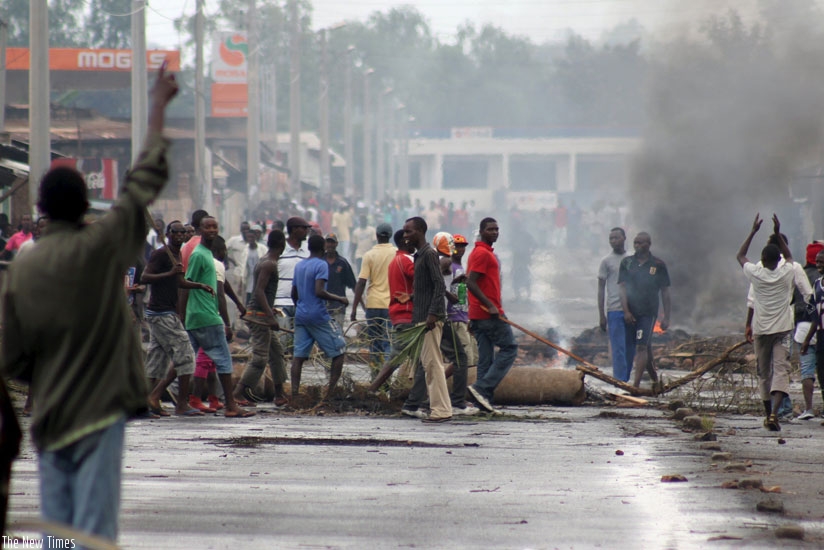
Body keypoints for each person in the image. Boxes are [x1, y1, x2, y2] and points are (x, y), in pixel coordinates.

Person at [0, 63, 178, 544]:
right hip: (101, 410)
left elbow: (13, 357)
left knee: (57, 525)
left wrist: (48, 375)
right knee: (94, 526)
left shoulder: (23, 267)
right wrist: (158, 105)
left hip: (52, 413)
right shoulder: (101, 250)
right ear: (86, 207)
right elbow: (142, 183)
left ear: (39, 210)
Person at [182, 216, 255, 419]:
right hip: (205, 315)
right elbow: (185, 283)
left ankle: (174, 399)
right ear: (201, 230)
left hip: (197, 316)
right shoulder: (199, 255)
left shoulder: (207, 255)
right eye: (208, 227)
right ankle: (231, 405)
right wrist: (185, 311)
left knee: (191, 360)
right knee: (223, 361)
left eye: (215, 226)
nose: (212, 230)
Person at [142, 220, 215, 417]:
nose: (180, 235)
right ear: (168, 233)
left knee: (156, 361)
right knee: (186, 356)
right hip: (162, 313)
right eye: (176, 232)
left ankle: (148, 403)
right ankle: (181, 404)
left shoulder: (178, 254)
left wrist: (199, 285)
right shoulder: (160, 253)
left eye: (183, 232)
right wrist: (169, 273)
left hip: (164, 313)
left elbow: (180, 281)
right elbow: (145, 277)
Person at [737, 214, 794, 431]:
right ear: (778, 260)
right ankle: (773, 414)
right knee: (781, 371)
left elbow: (740, 255)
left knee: (764, 373)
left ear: (761, 259)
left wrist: (753, 231)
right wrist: (778, 233)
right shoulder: (786, 273)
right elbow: (790, 258)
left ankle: (767, 412)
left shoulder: (756, 274)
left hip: (761, 331)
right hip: (783, 330)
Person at [401, 216, 452, 423]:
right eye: (404, 232)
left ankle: (441, 411)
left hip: (429, 320)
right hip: (421, 318)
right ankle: (440, 408)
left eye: (409, 231)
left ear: (421, 231)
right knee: (430, 365)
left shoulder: (430, 254)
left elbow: (439, 286)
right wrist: (412, 297)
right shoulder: (419, 256)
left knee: (433, 366)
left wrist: (432, 314)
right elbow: (426, 288)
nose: (405, 236)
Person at [466, 217, 519, 414]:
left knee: (486, 358)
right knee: (510, 348)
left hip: (480, 313)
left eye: (497, 229)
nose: (495, 232)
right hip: (488, 313)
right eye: (490, 229)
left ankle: (483, 402)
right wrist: (490, 305)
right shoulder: (482, 254)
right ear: (482, 231)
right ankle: (482, 388)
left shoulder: (481, 253)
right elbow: (470, 282)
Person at [234, 229, 289, 407]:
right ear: (282, 244)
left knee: (277, 352)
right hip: (259, 316)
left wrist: (270, 309)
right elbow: (258, 291)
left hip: (263, 313)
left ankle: (279, 394)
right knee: (260, 357)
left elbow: (262, 292)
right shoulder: (269, 264)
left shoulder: (266, 261)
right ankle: (237, 394)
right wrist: (270, 317)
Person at [290, 235, 349, 400]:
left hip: (301, 315)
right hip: (318, 315)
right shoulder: (321, 265)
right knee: (340, 350)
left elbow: (293, 293)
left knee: (298, 356)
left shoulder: (300, 266)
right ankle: (330, 393)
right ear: (323, 247)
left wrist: (301, 307)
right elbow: (319, 291)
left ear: (308, 247)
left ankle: (294, 394)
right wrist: (340, 299)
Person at [618, 231, 671, 389]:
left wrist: (666, 317)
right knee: (645, 346)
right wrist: (626, 311)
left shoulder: (658, 265)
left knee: (641, 347)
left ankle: (635, 385)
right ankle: (655, 381)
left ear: (649, 244)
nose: (637, 246)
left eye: (640, 243)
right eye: (635, 243)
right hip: (631, 312)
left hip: (648, 312)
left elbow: (665, 291)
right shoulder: (627, 263)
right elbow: (622, 288)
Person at [369, 230, 417, 394]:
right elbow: (421, 278)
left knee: (414, 357)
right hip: (407, 313)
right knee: (397, 356)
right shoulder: (406, 260)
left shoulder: (395, 260)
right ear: (405, 242)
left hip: (399, 313)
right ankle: (373, 390)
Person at [351, 223, 395, 369]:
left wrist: (354, 308)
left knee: (374, 343)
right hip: (391, 305)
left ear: (376, 236)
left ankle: (375, 374)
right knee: (388, 341)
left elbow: (361, 282)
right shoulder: (396, 253)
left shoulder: (369, 255)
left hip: (373, 304)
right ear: (390, 236)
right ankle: (386, 378)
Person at [598, 227, 634, 382]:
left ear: (624, 238)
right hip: (614, 309)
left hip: (633, 309)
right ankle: (620, 382)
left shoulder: (633, 259)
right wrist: (601, 315)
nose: (614, 241)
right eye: (611, 238)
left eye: (616, 238)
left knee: (630, 348)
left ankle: (625, 380)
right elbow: (601, 289)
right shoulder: (606, 261)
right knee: (618, 348)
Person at [794, 242, 823, 420]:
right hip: (817, 327)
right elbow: (814, 306)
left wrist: (810, 313)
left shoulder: (800, 274)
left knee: (807, 370)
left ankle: (809, 409)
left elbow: (807, 304)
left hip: (804, 327)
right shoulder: (818, 280)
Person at [274, 217, 311, 347]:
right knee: (282, 343)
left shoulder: (308, 250)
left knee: (299, 346)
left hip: (302, 304)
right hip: (280, 303)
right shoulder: (280, 248)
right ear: (294, 230)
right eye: (304, 228)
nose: (307, 231)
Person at [801, 249, 824, 421]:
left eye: (821, 262)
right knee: (822, 374)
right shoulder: (817, 284)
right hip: (821, 335)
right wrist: (807, 339)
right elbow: (812, 312)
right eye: (817, 262)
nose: (818, 265)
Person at [324, 233, 356, 328]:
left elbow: (353, 285)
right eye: (328, 242)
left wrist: (359, 305)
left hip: (338, 307)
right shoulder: (320, 261)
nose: (330, 245)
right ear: (325, 244)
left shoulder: (342, 263)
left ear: (336, 244)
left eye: (332, 242)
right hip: (322, 307)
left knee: (337, 334)